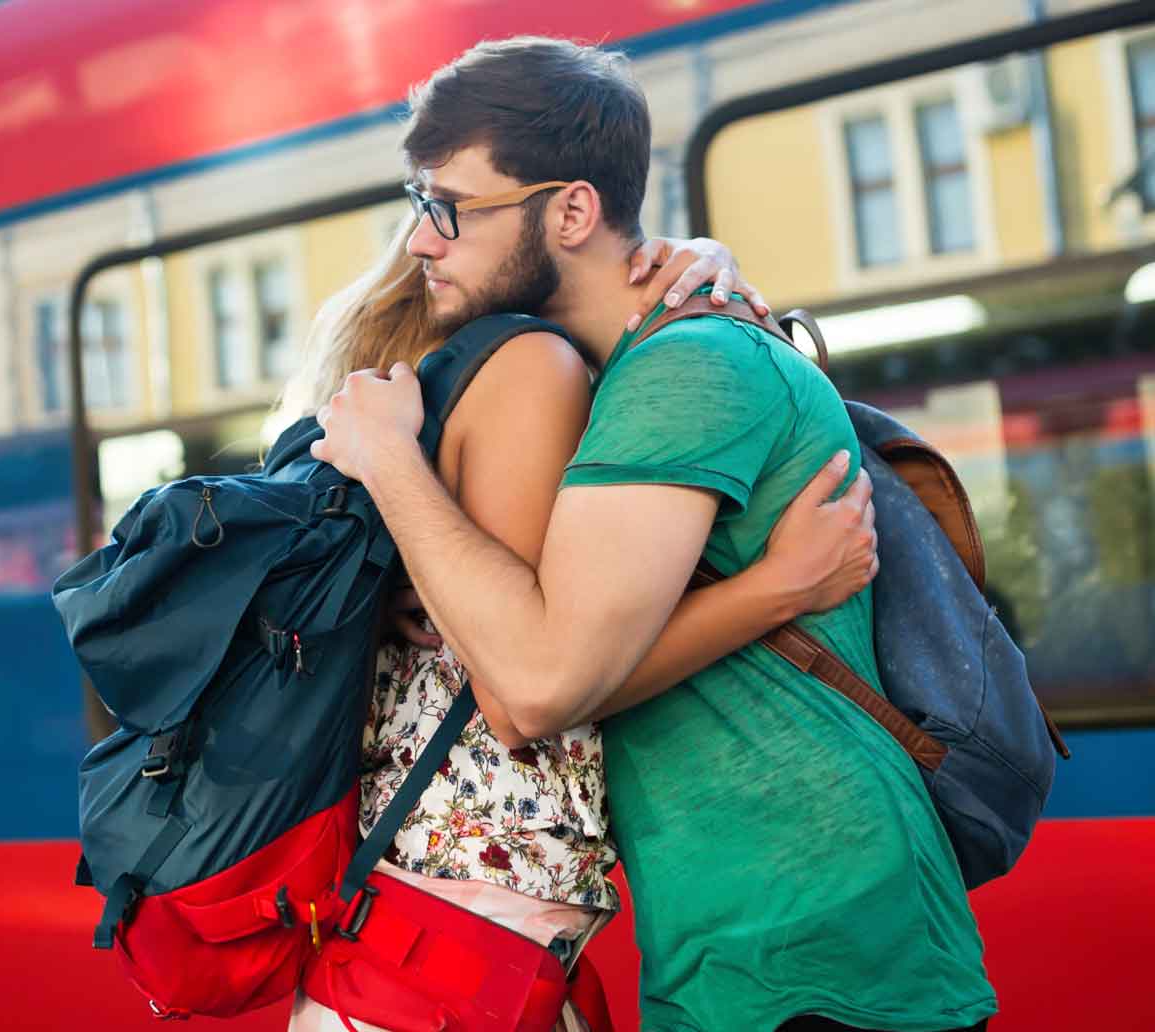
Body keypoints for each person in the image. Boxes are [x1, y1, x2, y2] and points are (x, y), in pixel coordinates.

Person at [310, 37, 996, 1032]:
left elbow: (535, 688)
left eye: (449, 208)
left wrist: (394, 467)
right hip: (733, 943)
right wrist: (767, 591)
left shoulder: (688, 369)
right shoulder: (638, 363)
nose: (421, 240)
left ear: (573, 209)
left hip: (815, 938)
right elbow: (548, 678)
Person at [281, 226, 878, 1029]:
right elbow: (537, 688)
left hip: (449, 954)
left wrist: (707, 266)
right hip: (444, 961)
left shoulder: (416, 415)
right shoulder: (524, 374)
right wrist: (777, 588)